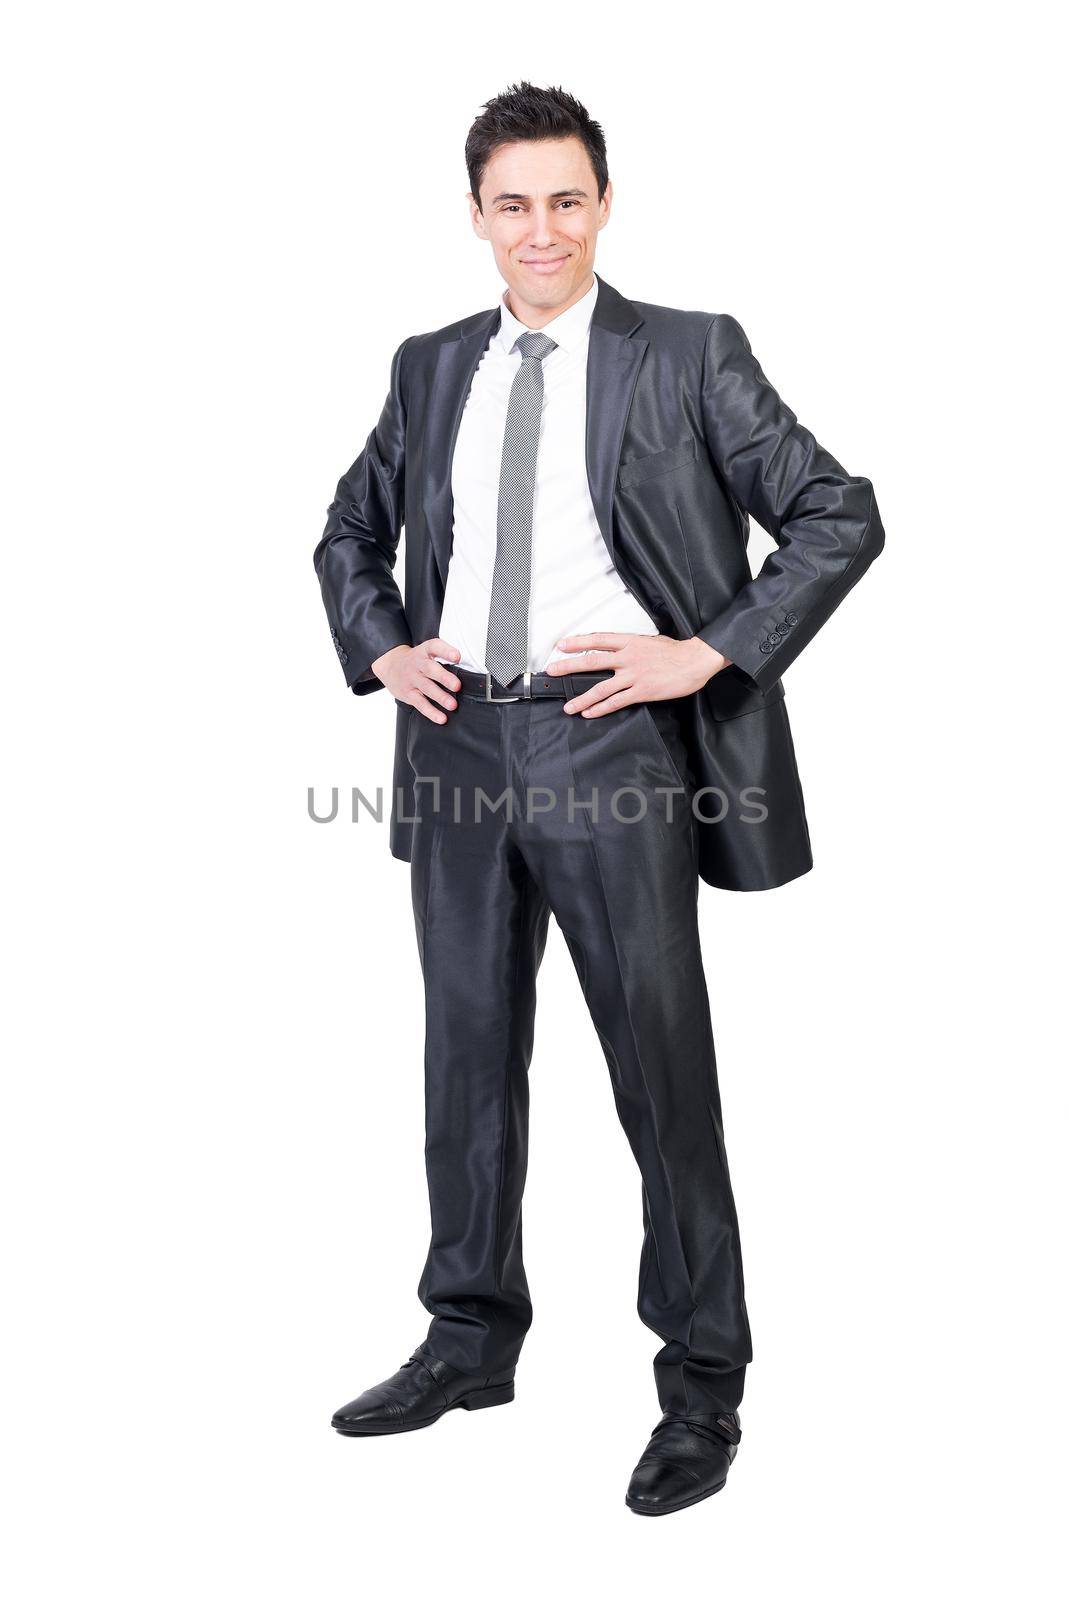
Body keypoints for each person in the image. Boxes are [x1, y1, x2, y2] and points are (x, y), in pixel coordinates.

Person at [313, 80, 884, 1516]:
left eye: (567, 198)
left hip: (609, 745)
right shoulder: (431, 364)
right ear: (476, 219)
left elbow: (837, 509)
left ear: (604, 204)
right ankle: (469, 1337)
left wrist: (705, 651)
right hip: (454, 748)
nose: (542, 227)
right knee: (467, 1063)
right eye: (514, 203)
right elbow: (347, 529)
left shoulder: (688, 354)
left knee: (659, 1070)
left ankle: (702, 1386)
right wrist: (381, 642)